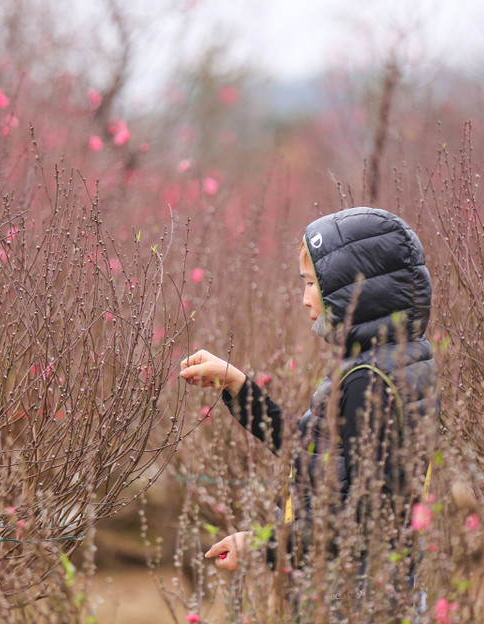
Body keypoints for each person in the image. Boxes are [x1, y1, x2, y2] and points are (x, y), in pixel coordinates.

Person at [179, 207, 440, 584]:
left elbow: (367, 523)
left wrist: (263, 548)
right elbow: (318, 455)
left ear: (354, 291)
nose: (304, 300)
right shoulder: (394, 359)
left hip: (357, 598)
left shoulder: (369, 381)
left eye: (311, 284)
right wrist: (237, 385)